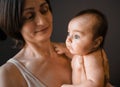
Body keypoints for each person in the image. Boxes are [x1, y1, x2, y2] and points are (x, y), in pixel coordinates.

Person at [0, 0, 72, 87]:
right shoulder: (8, 74)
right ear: (14, 23)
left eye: (44, 10)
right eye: (29, 16)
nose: (42, 22)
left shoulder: (74, 51)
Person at [54, 9, 113, 87]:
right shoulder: (83, 53)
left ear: (96, 43)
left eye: (76, 36)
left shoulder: (92, 58)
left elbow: (95, 83)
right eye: (69, 33)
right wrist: (66, 51)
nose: (68, 39)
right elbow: (79, 61)